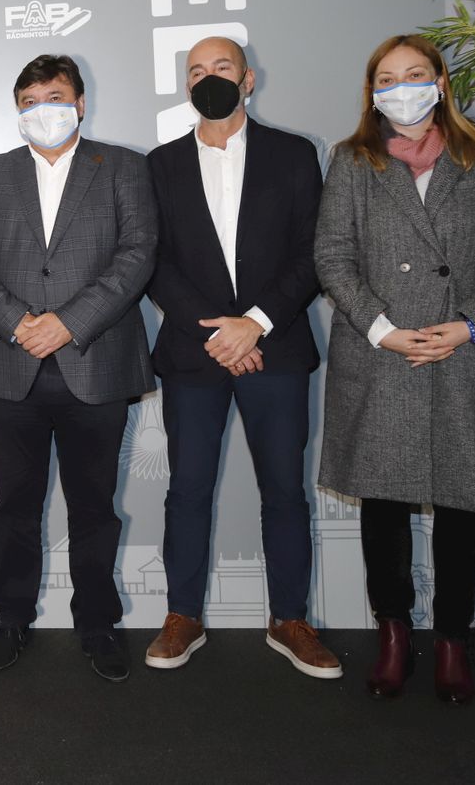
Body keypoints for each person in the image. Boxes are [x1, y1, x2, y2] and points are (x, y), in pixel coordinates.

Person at [315, 34, 475, 704]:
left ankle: (452, 641)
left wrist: (468, 323)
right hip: (381, 353)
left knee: (464, 501)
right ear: (371, 92)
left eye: (415, 74)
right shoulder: (351, 160)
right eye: (387, 78)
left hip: (464, 351)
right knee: (383, 501)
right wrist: (382, 329)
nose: (401, 86)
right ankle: (392, 635)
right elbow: (332, 256)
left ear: (440, 82)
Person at [0, 54, 157, 681]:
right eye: (32, 99)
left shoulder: (122, 166)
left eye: (56, 96)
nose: (45, 109)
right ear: (18, 110)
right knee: (15, 504)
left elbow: (137, 254)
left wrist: (68, 322)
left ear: (81, 102)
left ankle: (97, 623)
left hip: (95, 362)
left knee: (94, 505)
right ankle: (11, 616)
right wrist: (18, 322)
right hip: (13, 368)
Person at [143, 37, 340, 679]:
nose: (209, 78)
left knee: (284, 491)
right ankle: (183, 617)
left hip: (275, 350)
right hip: (194, 355)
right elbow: (153, 263)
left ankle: (290, 619)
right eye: (196, 71)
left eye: (221, 67)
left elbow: (314, 252)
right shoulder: (160, 164)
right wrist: (219, 334)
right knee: (188, 490)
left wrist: (252, 325)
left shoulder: (293, 154)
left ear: (248, 78)